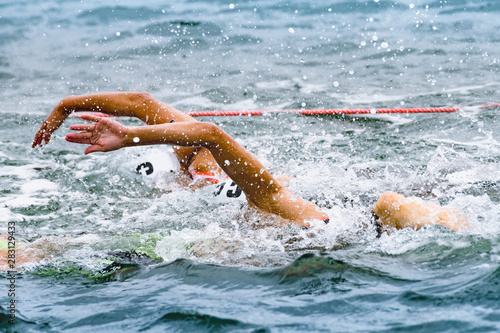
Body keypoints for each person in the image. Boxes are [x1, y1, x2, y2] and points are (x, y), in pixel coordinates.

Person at [32, 92, 468, 232]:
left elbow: (205, 133)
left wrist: (74, 109)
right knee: (395, 202)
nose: (200, 165)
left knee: (396, 203)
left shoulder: (258, 194)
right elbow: (200, 136)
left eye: (203, 162)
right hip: (338, 214)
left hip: (334, 218)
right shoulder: (186, 180)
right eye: (193, 161)